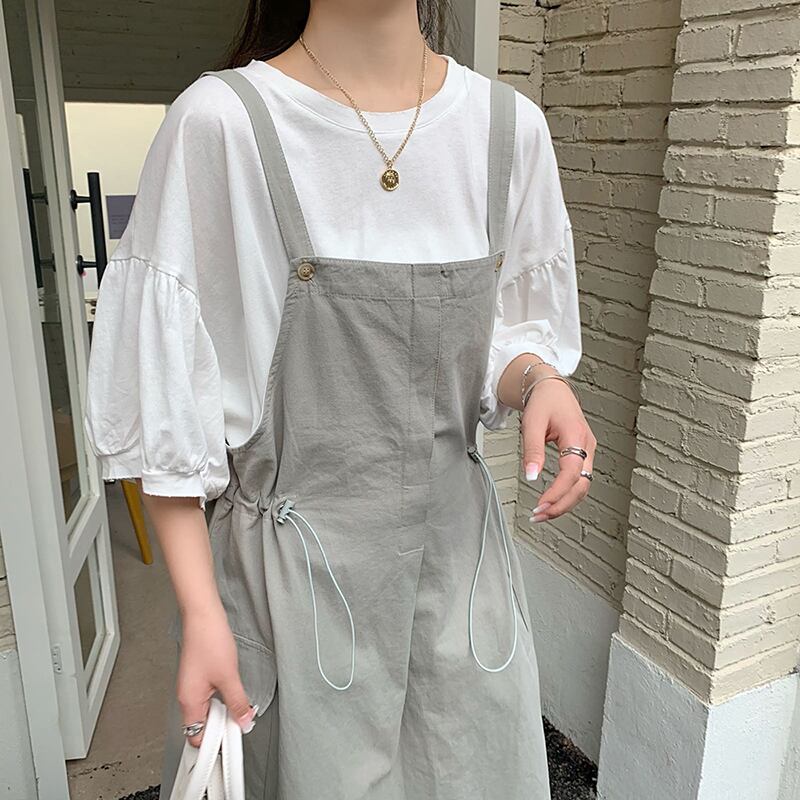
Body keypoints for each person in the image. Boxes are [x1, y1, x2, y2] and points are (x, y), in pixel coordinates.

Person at [84, 1, 596, 797]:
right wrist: (203, 615)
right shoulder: (222, 124)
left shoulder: (508, 131)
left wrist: (540, 381)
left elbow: (505, 340)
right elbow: (169, 416)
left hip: (457, 577)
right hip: (292, 590)